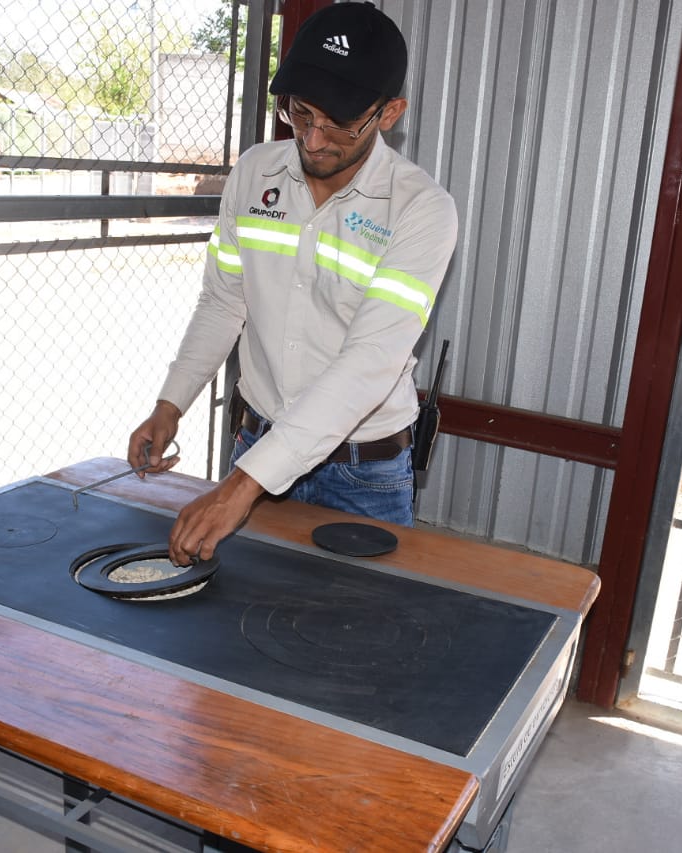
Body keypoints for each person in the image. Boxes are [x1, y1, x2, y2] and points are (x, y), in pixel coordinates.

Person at [128, 1, 458, 565]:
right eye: (300, 113)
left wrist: (240, 487)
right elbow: (223, 302)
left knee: (357, 641)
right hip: (256, 442)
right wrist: (171, 403)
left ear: (389, 113)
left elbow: (370, 361)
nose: (313, 140)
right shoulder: (255, 173)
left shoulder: (422, 210)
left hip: (361, 474)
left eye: (339, 122)